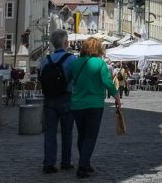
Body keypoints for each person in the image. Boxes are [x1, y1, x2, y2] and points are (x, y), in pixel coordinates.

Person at [69, 37, 120, 179]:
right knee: (91, 136)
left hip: (77, 104)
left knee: (82, 134)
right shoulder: (100, 63)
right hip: (94, 104)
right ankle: (82, 166)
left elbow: (71, 79)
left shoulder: (76, 63)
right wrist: (116, 96)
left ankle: (85, 163)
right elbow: (107, 82)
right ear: (98, 49)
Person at [39, 30, 77, 174]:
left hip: (49, 99)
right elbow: (75, 79)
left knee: (50, 132)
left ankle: (48, 163)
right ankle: (66, 162)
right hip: (66, 98)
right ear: (66, 43)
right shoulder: (71, 59)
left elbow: (41, 77)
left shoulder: (45, 60)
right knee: (67, 132)